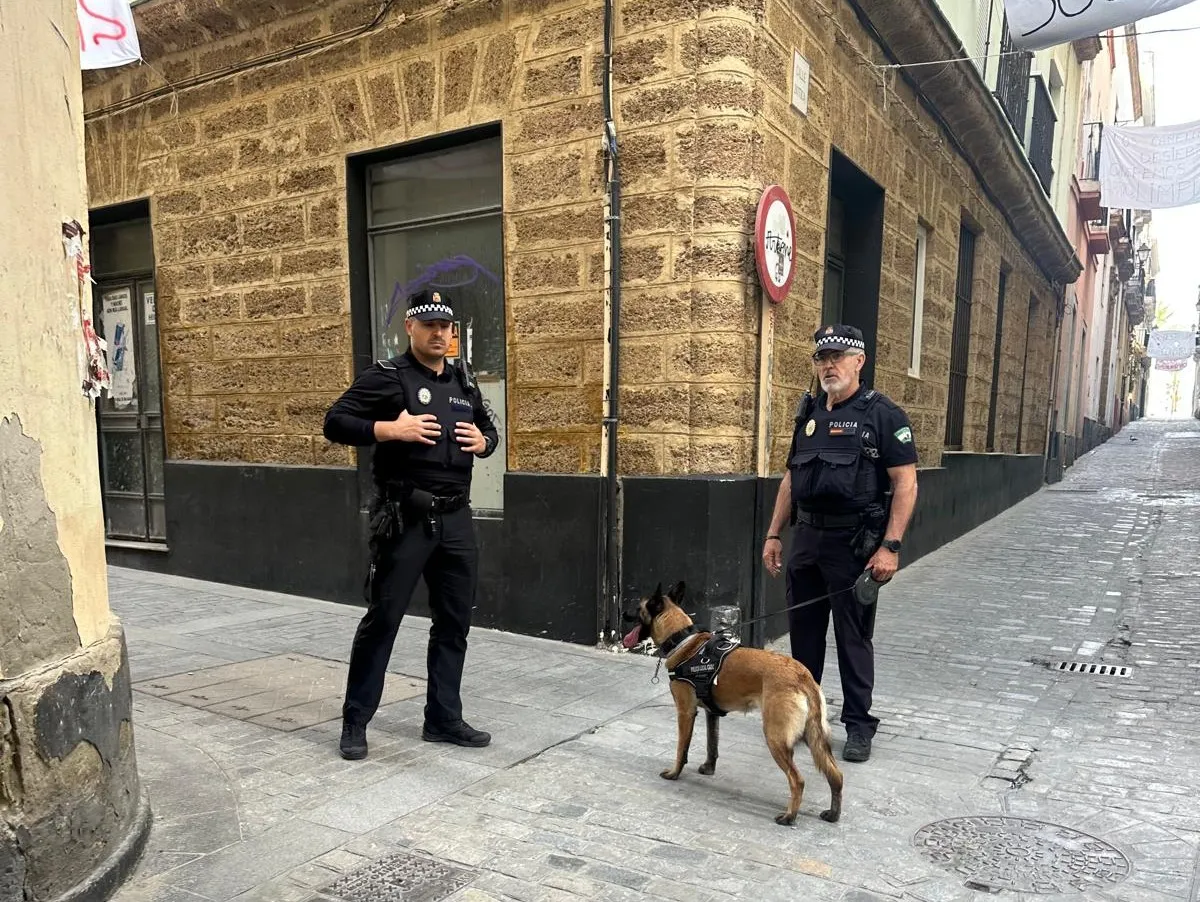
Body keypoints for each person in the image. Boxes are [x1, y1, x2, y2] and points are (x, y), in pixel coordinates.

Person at [324, 289, 499, 760]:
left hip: (457, 520)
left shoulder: (464, 380)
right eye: (430, 326)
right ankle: (356, 721)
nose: (440, 334)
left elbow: (491, 432)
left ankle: (442, 719)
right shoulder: (388, 378)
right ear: (410, 328)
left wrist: (484, 442)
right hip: (406, 519)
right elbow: (335, 422)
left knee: (454, 624)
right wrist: (388, 430)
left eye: (446, 326)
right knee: (383, 621)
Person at [762, 324, 918, 763]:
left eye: (838, 356)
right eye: (821, 357)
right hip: (807, 540)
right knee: (804, 640)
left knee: (853, 638)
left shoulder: (883, 414)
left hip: (854, 543)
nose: (828, 364)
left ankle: (858, 725)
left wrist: (891, 545)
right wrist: (775, 533)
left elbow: (905, 484)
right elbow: (792, 478)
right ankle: (807, 719)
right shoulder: (808, 414)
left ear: (859, 362)